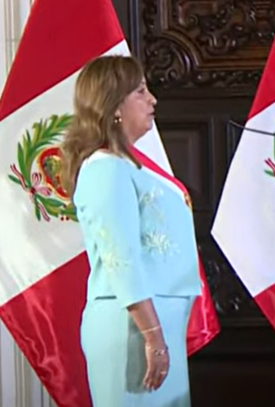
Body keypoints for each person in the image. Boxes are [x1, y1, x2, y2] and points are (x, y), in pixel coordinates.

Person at [60, 55, 201, 407]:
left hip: (148, 327)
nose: (153, 99)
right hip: (132, 330)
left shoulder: (125, 164)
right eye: (140, 91)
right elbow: (120, 259)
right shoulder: (105, 169)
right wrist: (153, 337)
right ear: (114, 106)